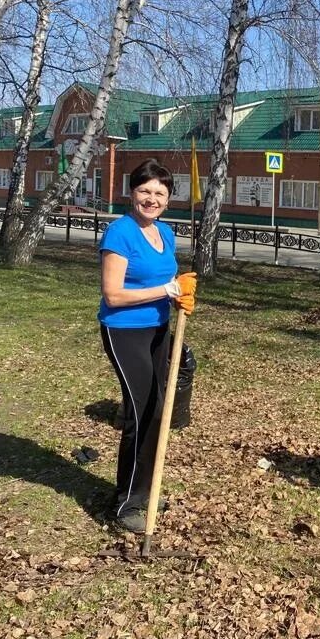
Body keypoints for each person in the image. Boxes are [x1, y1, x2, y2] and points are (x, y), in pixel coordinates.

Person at [98, 159, 196, 534]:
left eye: (160, 193)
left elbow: (167, 278)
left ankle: (146, 491)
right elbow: (114, 295)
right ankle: (127, 504)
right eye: (145, 191)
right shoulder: (119, 234)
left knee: (160, 411)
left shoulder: (165, 233)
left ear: (168, 199)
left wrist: (178, 296)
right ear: (132, 193)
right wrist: (166, 290)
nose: (151, 199)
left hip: (159, 329)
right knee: (142, 413)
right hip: (123, 331)